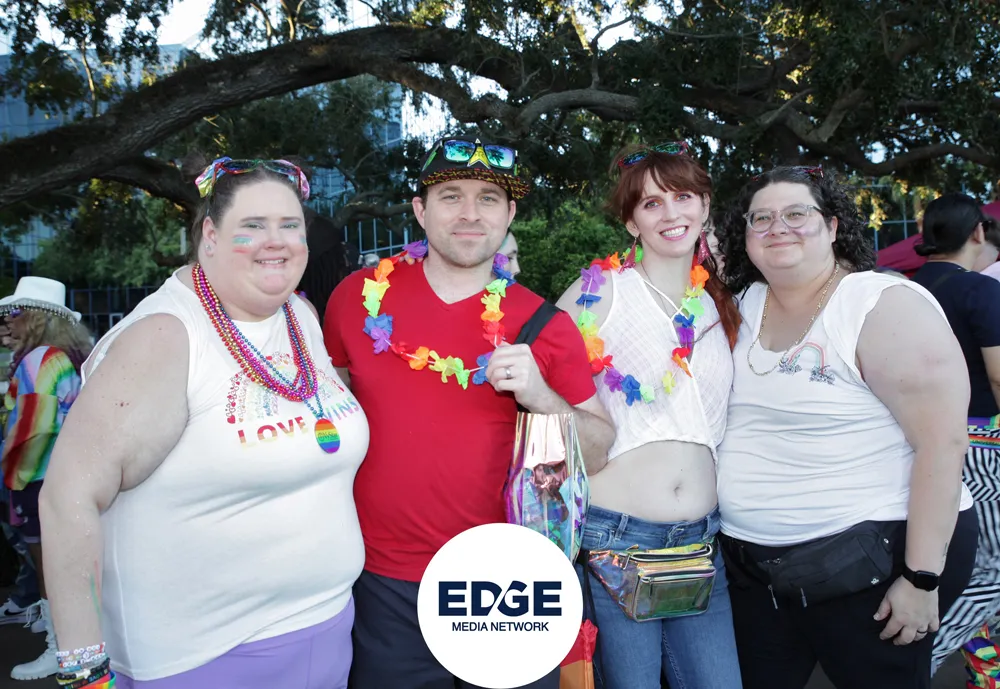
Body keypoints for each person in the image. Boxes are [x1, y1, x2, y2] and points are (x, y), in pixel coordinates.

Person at [40, 157, 368, 689]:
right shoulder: (165, 335)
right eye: (253, 225)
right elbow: (66, 499)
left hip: (325, 630)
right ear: (210, 236)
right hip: (201, 658)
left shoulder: (299, 315)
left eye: (290, 225)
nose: (277, 241)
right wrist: (84, 670)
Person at [323, 135, 615, 689]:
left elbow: (598, 450)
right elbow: (328, 417)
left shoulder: (544, 323)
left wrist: (541, 397)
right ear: (420, 210)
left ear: (510, 215)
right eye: (451, 196)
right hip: (384, 582)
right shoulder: (355, 299)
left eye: (488, 199)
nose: (469, 213)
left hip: (509, 583)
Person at [715, 166, 978, 689]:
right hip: (754, 575)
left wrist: (921, 578)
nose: (777, 227)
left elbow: (943, 444)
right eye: (760, 218)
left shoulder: (879, 305)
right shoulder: (742, 306)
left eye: (796, 214)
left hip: (872, 563)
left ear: (833, 226)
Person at [554, 142, 743, 687]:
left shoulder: (719, 302)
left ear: (704, 206)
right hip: (617, 540)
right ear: (632, 222)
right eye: (651, 203)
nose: (670, 213)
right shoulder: (597, 293)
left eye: (683, 197)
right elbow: (546, 392)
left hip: (702, 540)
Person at [908, 194, 1000, 675]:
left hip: (913, 442)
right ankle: (912, 670)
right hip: (980, 444)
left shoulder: (903, 291)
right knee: (991, 571)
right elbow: (999, 375)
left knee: (964, 566)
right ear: (978, 233)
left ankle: (987, 674)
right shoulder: (980, 291)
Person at [0, 277, 91, 680]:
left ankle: (61, 648)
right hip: (67, 474)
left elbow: (31, 431)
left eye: (15, 311)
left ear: (37, 317)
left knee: (50, 568)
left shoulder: (39, 360)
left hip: (39, 478)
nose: (8, 320)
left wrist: (11, 474)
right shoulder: (66, 355)